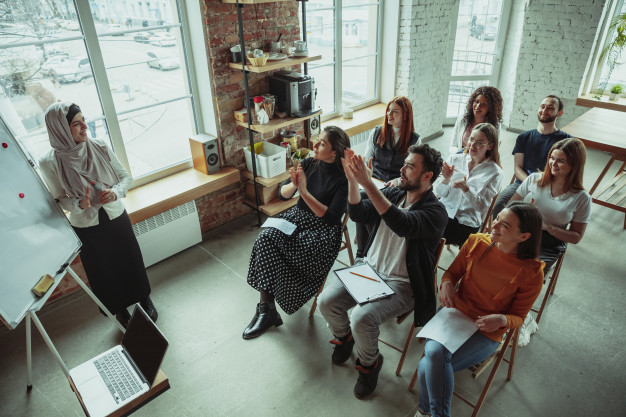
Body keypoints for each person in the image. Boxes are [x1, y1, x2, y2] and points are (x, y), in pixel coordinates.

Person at [319, 144, 448, 399]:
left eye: (410, 166)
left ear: (427, 176)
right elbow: (357, 212)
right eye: (405, 163)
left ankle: (370, 364)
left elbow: (403, 224)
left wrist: (369, 184)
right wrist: (353, 182)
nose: (402, 168)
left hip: (402, 284)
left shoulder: (436, 212)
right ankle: (345, 339)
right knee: (326, 302)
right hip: (369, 269)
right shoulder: (393, 192)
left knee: (361, 318)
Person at [415, 202, 544, 417]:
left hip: (487, 331)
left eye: (505, 225)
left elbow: (519, 317)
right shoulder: (476, 242)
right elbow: (451, 274)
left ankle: (425, 411)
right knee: (434, 357)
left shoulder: (532, 273)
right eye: (496, 218)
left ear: (523, 237)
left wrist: (502, 319)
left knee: (427, 365)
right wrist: (446, 284)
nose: (494, 226)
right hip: (456, 312)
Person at [38, 102, 157, 328]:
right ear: (61, 130)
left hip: (115, 216)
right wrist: (79, 203)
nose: (85, 127)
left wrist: (116, 192)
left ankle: (144, 299)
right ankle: (119, 309)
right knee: (103, 271)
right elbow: (58, 199)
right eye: (76, 124)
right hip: (86, 226)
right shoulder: (49, 162)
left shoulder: (100, 146)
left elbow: (125, 177)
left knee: (130, 260)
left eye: (84, 120)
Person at [242, 126, 351, 340]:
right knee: (265, 239)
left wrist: (304, 192)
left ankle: (268, 310)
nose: (315, 145)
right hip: (296, 218)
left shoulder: (343, 180)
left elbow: (330, 218)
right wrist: (293, 186)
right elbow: (283, 196)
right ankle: (267, 309)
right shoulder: (310, 163)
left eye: (322, 143)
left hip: (321, 232)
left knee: (291, 251)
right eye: (317, 140)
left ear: (334, 153)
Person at [510, 137, 591, 271]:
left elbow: (576, 237)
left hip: (548, 242)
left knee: (528, 272)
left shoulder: (582, 198)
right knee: (498, 258)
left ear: (574, 165)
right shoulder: (534, 178)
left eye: (561, 161)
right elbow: (511, 204)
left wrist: (548, 227)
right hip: (520, 229)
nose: (553, 163)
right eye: (552, 158)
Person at [356, 96, 421, 257]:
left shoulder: (415, 139)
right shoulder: (376, 132)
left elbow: (413, 171)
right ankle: (369, 249)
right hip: (374, 180)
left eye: (395, 112)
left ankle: (364, 251)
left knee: (363, 201)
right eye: (388, 111)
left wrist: (398, 181)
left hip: (396, 186)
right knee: (361, 197)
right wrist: (365, 174)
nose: (389, 115)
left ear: (405, 115)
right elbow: (367, 160)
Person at [492, 95, 571, 219]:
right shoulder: (524, 137)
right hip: (523, 183)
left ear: (559, 113)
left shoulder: (566, 140)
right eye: (542, 106)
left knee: (539, 216)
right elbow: (518, 168)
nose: (544, 111)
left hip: (552, 187)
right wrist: (531, 185)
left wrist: (542, 188)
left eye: (550, 108)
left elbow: (567, 171)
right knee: (500, 206)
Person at [435, 123, 503, 246]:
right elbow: (440, 193)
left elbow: (482, 208)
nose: (472, 144)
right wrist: (446, 179)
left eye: (479, 142)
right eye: (471, 139)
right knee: (422, 229)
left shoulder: (495, 173)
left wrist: (466, 189)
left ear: (490, 146)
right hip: (443, 212)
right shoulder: (455, 159)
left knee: (428, 235)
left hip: (466, 222)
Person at [449, 86, 502, 153]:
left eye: (483, 104)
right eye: (476, 101)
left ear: (491, 108)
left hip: (481, 161)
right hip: (460, 156)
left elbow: (494, 151)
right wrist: (460, 155)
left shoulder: (495, 125)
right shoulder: (462, 119)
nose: (478, 106)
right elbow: (453, 145)